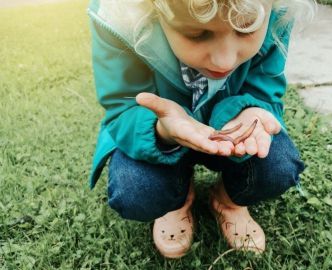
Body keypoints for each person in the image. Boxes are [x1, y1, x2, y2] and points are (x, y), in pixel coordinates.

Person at [87, 0, 314, 259]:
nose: (224, 60)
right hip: (161, 136)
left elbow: (266, 91)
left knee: (278, 166)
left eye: (247, 28)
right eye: (196, 33)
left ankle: (228, 202)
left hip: (229, 136)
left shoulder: (276, 12)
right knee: (136, 189)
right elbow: (121, 107)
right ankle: (177, 200)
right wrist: (162, 130)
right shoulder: (116, 17)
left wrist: (251, 109)